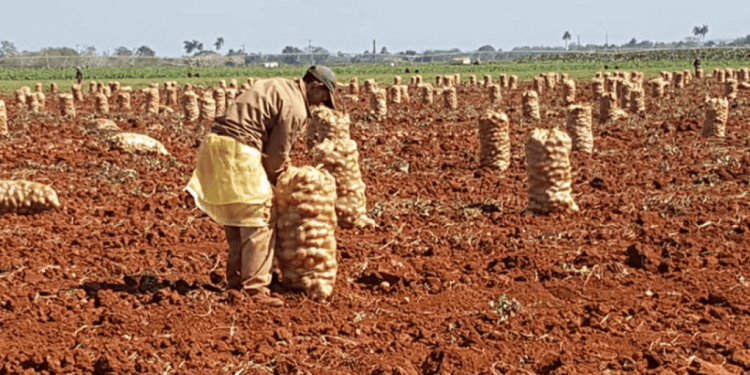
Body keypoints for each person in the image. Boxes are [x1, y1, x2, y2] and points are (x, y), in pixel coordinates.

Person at [185, 66, 337, 307]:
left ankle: (236, 284)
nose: (321, 104)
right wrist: (280, 180)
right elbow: (277, 153)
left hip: (215, 146)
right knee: (261, 217)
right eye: (323, 97)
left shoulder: (279, 84)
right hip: (239, 149)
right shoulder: (296, 106)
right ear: (315, 86)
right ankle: (256, 289)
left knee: (237, 217)